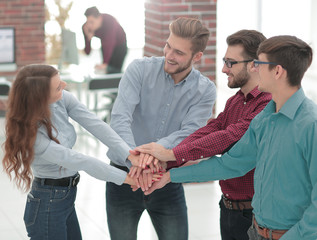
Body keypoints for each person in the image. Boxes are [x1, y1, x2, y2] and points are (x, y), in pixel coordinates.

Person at [144, 35, 317, 240]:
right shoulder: (263, 120)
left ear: (277, 71)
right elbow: (230, 165)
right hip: (256, 232)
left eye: (259, 64)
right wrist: (169, 177)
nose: (255, 68)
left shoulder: (310, 125)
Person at [134, 29, 271, 240]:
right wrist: (168, 159)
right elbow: (212, 129)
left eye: (231, 63)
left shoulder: (266, 104)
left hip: (254, 215)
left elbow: (229, 136)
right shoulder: (235, 101)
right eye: (225, 61)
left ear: (254, 65)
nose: (224, 69)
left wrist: (170, 155)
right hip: (228, 209)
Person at [1, 64, 158, 240]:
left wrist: (129, 155)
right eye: (58, 86)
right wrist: (128, 178)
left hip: (65, 198)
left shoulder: (61, 100)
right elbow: (82, 161)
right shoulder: (34, 136)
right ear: (41, 97)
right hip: (48, 203)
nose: (65, 85)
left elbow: (96, 125)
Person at [106, 17, 217, 240]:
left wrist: (151, 158)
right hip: (123, 176)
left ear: (196, 57)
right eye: (168, 46)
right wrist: (135, 160)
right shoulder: (139, 69)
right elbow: (119, 119)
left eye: (179, 52)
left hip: (167, 180)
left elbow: (190, 133)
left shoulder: (205, 91)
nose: (169, 55)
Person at [82, 6, 127, 73]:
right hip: (105, 45)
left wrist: (105, 63)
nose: (89, 25)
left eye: (92, 22)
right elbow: (87, 52)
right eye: (88, 22)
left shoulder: (109, 21)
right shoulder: (86, 27)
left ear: (99, 18)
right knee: (106, 71)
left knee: (114, 72)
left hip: (120, 46)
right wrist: (88, 38)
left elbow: (110, 42)